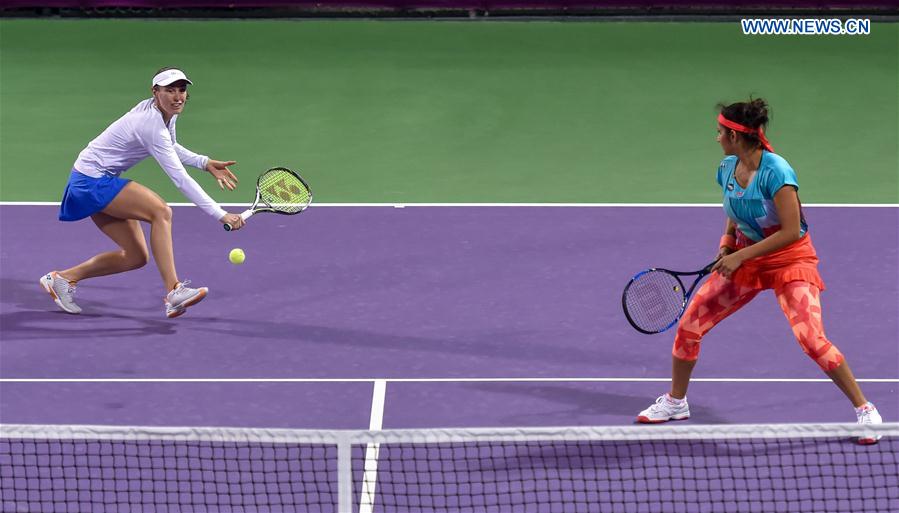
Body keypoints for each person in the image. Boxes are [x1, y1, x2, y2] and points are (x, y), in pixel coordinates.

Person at [636, 98, 883, 443]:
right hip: (747, 257)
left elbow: (791, 230)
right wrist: (726, 243)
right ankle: (676, 402)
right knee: (689, 325)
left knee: (811, 339)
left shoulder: (777, 172)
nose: (717, 137)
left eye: (721, 132)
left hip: (790, 261)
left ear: (736, 136)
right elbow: (733, 210)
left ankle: (865, 410)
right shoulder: (726, 168)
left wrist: (741, 256)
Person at [40, 67, 245, 319]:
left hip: (91, 180)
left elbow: (170, 146)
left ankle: (62, 279)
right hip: (91, 181)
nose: (178, 96)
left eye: (181, 90)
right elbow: (179, 178)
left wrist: (204, 162)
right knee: (161, 211)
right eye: (170, 90)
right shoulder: (150, 124)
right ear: (155, 92)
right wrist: (220, 214)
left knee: (135, 257)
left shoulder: (165, 113)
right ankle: (174, 290)